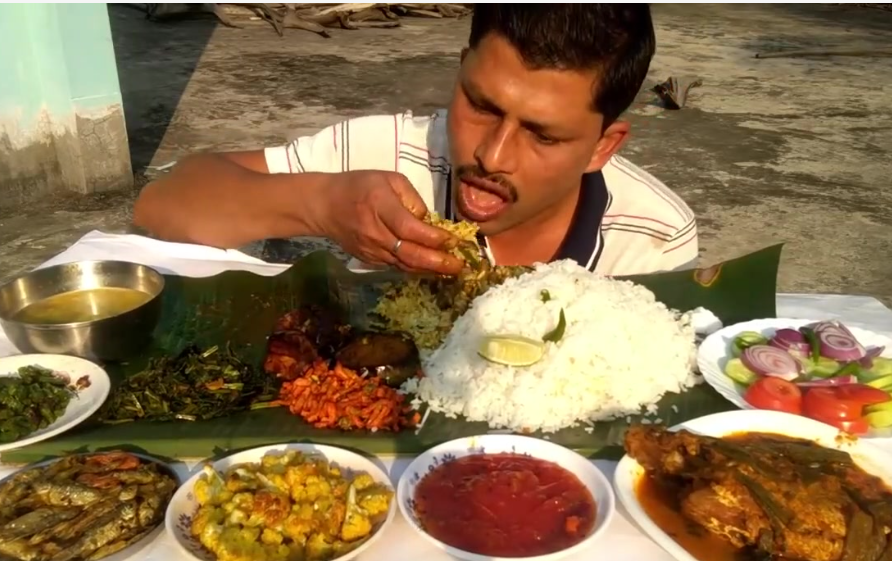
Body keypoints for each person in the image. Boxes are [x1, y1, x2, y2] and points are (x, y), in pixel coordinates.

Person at [133, 4, 698, 277]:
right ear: (460, 70)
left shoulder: (653, 238)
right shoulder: (384, 154)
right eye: (480, 105)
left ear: (603, 146)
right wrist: (321, 205)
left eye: (543, 135)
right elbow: (162, 204)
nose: (491, 156)